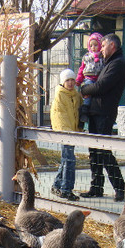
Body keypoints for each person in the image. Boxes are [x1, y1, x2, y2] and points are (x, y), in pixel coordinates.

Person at [79, 33, 125, 202]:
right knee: (94, 152)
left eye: (104, 45)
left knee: (104, 151)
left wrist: (84, 90)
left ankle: (121, 188)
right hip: (96, 112)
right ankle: (96, 187)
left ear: (112, 46)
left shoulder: (118, 64)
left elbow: (101, 86)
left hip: (104, 113)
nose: (101, 49)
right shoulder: (108, 62)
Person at [50, 68, 82, 201]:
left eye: (72, 80)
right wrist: (66, 131)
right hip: (65, 132)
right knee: (70, 160)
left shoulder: (76, 95)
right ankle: (66, 189)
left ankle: (56, 184)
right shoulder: (60, 95)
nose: (70, 83)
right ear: (63, 82)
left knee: (65, 159)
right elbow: (59, 115)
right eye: (67, 80)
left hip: (73, 131)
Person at [76, 32, 104, 124]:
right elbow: (81, 69)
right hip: (89, 77)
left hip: (99, 78)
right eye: (91, 45)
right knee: (87, 93)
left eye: (96, 45)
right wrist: (79, 80)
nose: (93, 47)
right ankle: (85, 109)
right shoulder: (87, 57)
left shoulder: (102, 56)